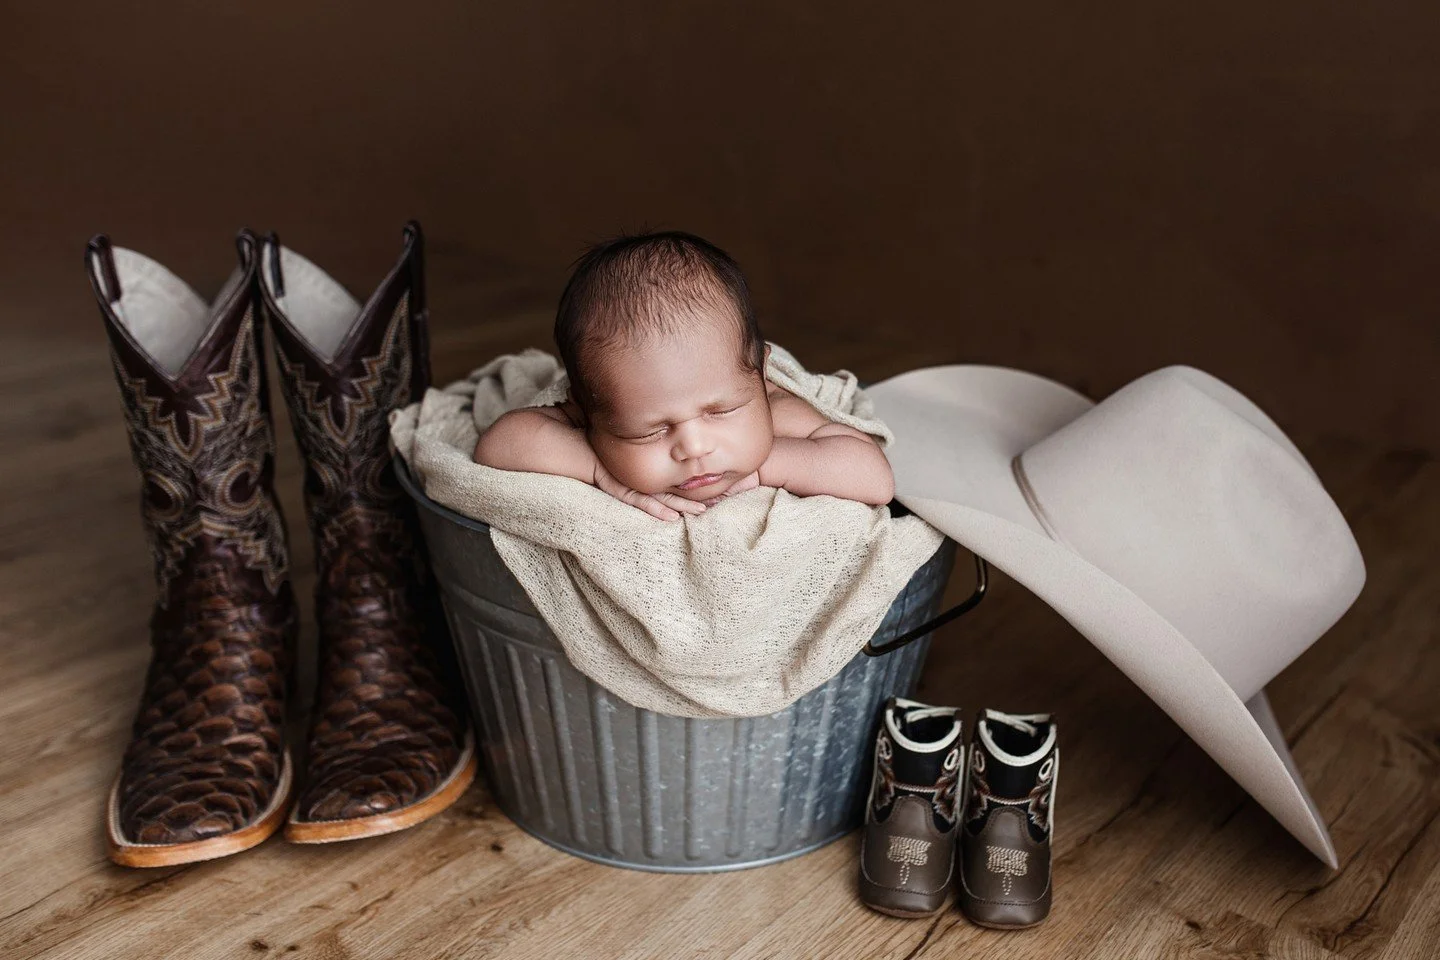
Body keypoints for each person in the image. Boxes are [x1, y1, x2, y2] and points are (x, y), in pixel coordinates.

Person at [473, 231, 895, 519]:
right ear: (588, 413)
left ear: (760, 375)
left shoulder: (774, 412)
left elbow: (874, 479)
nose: (694, 448)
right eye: (648, 432)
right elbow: (499, 444)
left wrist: (769, 464)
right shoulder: (594, 415)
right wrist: (598, 471)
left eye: (720, 411)